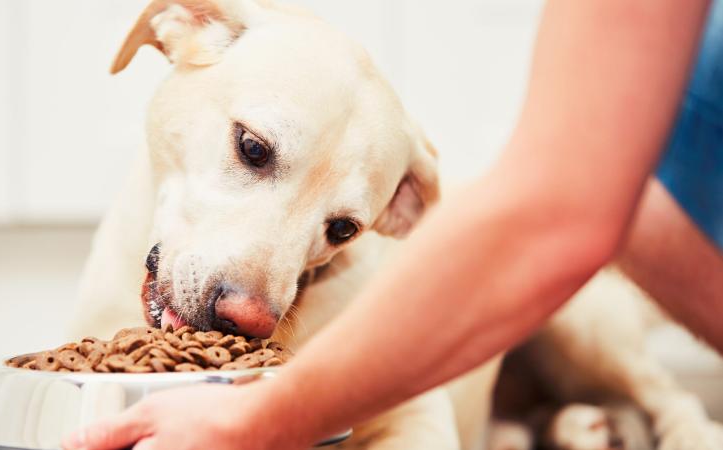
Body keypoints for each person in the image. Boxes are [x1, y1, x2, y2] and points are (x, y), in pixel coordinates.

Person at [63, 0, 722, 449]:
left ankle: (667, 411)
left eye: (342, 227)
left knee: (575, 285)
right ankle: (527, 423)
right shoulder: (136, 232)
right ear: (181, 26)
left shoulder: (402, 228)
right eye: (254, 152)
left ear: (399, 212)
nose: (258, 302)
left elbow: (552, 227)